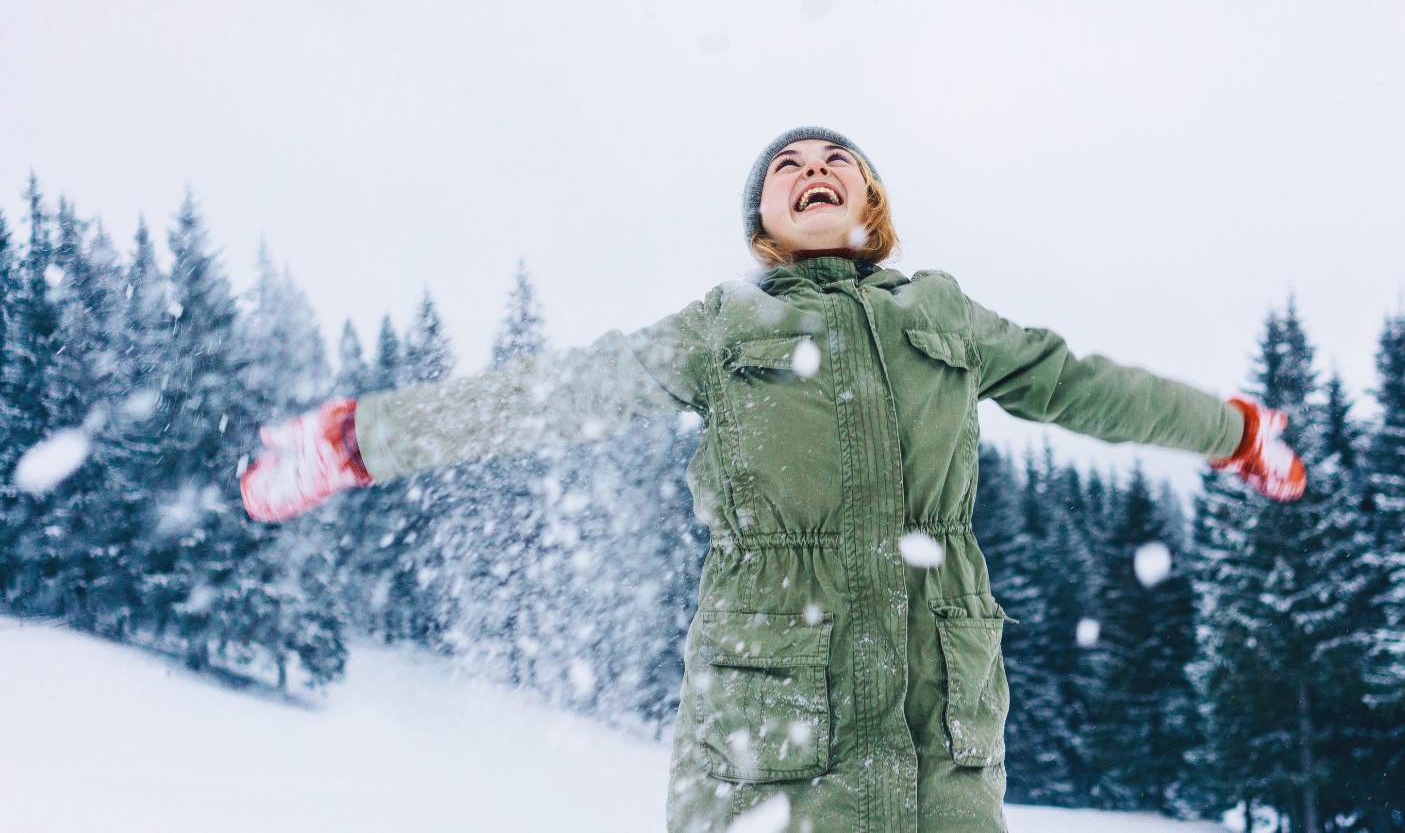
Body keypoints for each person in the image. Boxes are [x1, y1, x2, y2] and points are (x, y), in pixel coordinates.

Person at [241, 126, 1305, 833]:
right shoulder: (724, 327)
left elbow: (1086, 388)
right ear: (764, 219)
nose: (812, 166)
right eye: (787, 165)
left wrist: (1233, 431)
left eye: (834, 158)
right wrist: (362, 438)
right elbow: (563, 390)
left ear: (868, 201)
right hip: (772, 708)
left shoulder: (942, 314)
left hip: (944, 711)